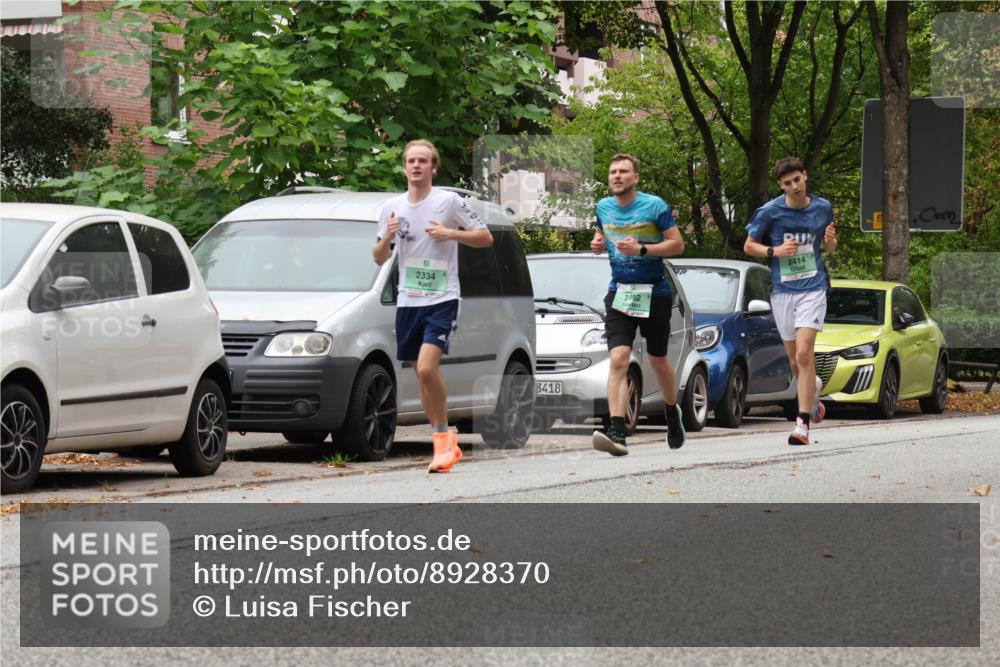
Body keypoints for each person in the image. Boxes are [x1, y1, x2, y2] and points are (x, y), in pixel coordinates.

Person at [373, 139, 493, 472]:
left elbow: (485, 238)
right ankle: (445, 441)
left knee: (427, 368)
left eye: (422, 161)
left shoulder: (448, 201)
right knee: (419, 373)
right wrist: (387, 237)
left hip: (443, 296)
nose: (416, 165)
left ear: (433, 167)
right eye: (411, 160)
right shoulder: (392, 207)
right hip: (408, 299)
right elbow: (379, 256)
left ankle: (441, 439)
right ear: (404, 167)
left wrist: (450, 234)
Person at [590, 154, 687, 456]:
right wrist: (597, 243)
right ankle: (617, 431)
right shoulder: (603, 207)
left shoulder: (655, 206)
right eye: (612, 172)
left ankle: (672, 411)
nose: (616, 176)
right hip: (619, 292)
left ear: (636, 177)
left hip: (654, 293)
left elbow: (678, 244)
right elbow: (601, 235)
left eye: (623, 172)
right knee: (619, 358)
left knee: (658, 361)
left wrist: (643, 248)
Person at [744, 156, 837, 446]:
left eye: (797, 180)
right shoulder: (769, 212)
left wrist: (831, 241)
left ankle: (802, 426)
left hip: (814, 288)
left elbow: (829, 247)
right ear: (781, 185)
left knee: (804, 354)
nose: (794, 186)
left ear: (805, 176)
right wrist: (776, 251)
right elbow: (749, 246)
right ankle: (814, 392)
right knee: (796, 364)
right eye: (787, 183)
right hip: (783, 291)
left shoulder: (822, 208)